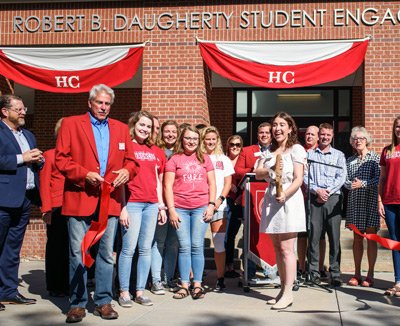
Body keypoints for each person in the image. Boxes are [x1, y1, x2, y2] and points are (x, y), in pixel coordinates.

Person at [55, 84, 139, 323]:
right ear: (90, 103)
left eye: (107, 104)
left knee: (106, 255)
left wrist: (126, 170)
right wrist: (84, 175)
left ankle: (103, 301)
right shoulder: (71, 124)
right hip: (80, 198)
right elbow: (61, 159)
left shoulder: (121, 129)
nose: (103, 107)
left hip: (109, 201)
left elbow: (133, 162)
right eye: (99, 103)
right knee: (77, 253)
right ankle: (78, 303)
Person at [255, 112, 307, 310]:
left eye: (282, 125)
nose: (277, 128)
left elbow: (298, 178)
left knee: (287, 249)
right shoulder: (269, 151)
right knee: (277, 247)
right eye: (275, 125)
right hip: (272, 200)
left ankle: (288, 292)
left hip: (288, 200)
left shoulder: (297, 149)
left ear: (290, 128)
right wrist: (270, 171)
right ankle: (281, 289)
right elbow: (259, 173)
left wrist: (285, 194)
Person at [118, 111, 166, 307]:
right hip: (132, 204)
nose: (145, 129)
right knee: (128, 249)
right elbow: (120, 180)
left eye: (148, 126)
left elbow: (158, 181)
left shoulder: (156, 151)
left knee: (145, 249)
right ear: (133, 125)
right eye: (142, 125)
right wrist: (122, 208)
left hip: (151, 205)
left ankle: (139, 291)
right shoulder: (125, 147)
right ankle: (123, 292)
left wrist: (161, 206)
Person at [0, 95, 43, 310]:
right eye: (18, 109)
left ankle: (8, 291)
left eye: (24, 108)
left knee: (12, 249)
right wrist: (22, 158)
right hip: (3, 199)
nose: (23, 111)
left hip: (24, 199)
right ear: (5, 112)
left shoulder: (28, 135)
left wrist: (38, 160)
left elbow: (31, 161)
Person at [164, 125, 216, 300]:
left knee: (197, 246)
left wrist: (211, 205)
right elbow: (167, 186)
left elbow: (213, 184)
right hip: (180, 208)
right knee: (184, 246)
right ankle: (184, 285)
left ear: (198, 141)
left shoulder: (205, 159)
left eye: (195, 138)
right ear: (182, 139)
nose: (191, 141)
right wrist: (171, 209)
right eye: (188, 138)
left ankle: (198, 285)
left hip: (201, 207)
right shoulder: (174, 159)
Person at [304, 123, 346, 287]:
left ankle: (335, 273)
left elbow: (341, 177)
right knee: (314, 237)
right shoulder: (308, 155)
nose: (325, 137)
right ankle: (313, 272)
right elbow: (306, 176)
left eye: (328, 135)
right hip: (315, 200)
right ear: (318, 135)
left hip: (333, 199)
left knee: (334, 238)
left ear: (332, 136)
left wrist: (327, 191)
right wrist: (317, 191)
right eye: (322, 135)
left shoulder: (339, 155)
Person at [235, 122, 272, 280]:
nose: (264, 135)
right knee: (250, 236)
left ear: (271, 135)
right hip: (250, 200)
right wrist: (256, 171)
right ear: (257, 135)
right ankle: (249, 273)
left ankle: (270, 271)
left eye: (267, 133)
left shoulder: (277, 151)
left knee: (269, 236)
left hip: (270, 200)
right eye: (261, 132)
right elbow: (237, 170)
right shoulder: (247, 150)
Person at [344, 126, 380, 287]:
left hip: (371, 202)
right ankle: (357, 273)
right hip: (355, 204)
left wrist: (363, 184)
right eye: (355, 139)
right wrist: (350, 185)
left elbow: (379, 179)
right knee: (357, 238)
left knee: (371, 238)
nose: (358, 141)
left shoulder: (375, 158)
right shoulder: (349, 161)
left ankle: (370, 274)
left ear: (367, 141)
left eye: (361, 138)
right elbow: (344, 180)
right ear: (352, 142)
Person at [201, 126, 235, 291]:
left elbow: (228, 182)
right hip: (199, 205)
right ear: (203, 140)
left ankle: (220, 279)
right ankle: (195, 280)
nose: (211, 142)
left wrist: (219, 199)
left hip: (219, 206)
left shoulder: (224, 159)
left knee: (219, 244)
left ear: (218, 140)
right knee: (195, 245)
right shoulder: (198, 157)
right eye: (208, 139)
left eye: (213, 139)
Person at [40, 118, 69, 297]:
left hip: (75, 207)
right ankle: (56, 285)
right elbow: (44, 184)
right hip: (57, 207)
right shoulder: (49, 155)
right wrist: (46, 209)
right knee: (56, 247)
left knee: (72, 248)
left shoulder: (76, 156)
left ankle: (69, 282)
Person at [150, 120, 180, 294]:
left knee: (173, 243)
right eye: (167, 131)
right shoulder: (157, 151)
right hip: (160, 203)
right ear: (162, 133)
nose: (170, 134)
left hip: (178, 204)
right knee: (159, 242)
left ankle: (169, 278)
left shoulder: (181, 152)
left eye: (173, 132)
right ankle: (156, 280)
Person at [297, 125, 327, 279]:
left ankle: (319, 267)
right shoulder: (299, 151)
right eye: (307, 134)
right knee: (302, 235)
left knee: (319, 235)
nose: (309, 136)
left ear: (318, 136)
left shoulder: (322, 152)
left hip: (317, 200)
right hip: (300, 198)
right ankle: (301, 267)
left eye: (312, 134)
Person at [378, 116, 400, 296]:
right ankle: (398, 282)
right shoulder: (387, 151)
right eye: (397, 127)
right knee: (394, 243)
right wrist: (380, 200)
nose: (399, 129)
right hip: (390, 201)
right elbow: (382, 179)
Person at [224, 135, 244, 278]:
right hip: (224, 201)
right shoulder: (223, 160)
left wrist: (240, 196)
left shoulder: (243, 161)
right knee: (225, 236)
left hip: (239, 202)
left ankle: (230, 266)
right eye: (232, 144)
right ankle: (226, 266)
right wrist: (228, 184)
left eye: (238, 144)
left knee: (232, 234)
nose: (235, 147)